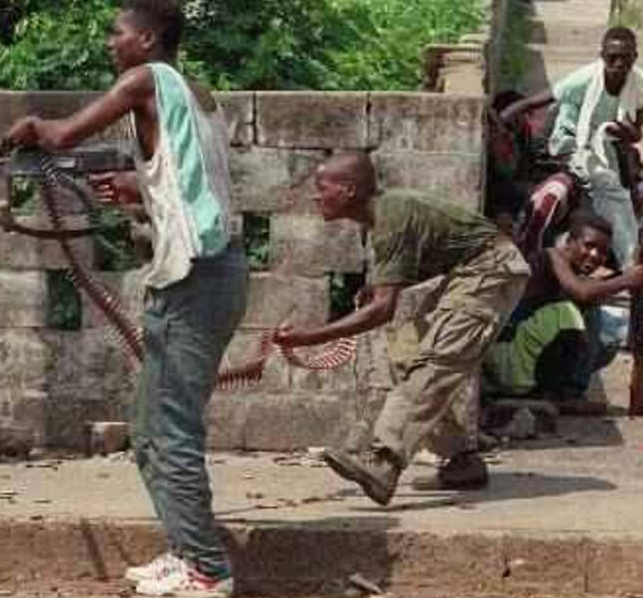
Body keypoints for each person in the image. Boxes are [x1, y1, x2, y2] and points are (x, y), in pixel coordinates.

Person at [3, 0, 248, 598]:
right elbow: (191, 179)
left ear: (147, 39)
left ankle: (207, 568)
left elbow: (62, 135)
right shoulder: (196, 93)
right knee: (148, 428)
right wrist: (139, 188)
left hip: (195, 277)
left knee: (171, 430)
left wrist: (34, 127)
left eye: (118, 33)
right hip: (210, 273)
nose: (111, 43)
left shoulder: (144, 79)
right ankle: (186, 551)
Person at [273, 152, 530, 506]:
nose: (316, 196)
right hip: (470, 273)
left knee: (434, 364)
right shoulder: (384, 217)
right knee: (406, 355)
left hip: (491, 272)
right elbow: (403, 277)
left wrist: (309, 338)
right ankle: (461, 460)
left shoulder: (390, 218)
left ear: (348, 190)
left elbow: (382, 311)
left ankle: (384, 461)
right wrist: (379, 288)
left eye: (322, 187)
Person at [500, 27, 643, 269]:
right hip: (571, 143)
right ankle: (630, 264)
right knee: (609, 189)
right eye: (612, 57)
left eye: (625, 58)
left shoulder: (638, 85)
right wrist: (499, 119)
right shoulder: (585, 78)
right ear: (602, 55)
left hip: (606, 144)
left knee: (624, 193)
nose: (618, 64)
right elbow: (533, 101)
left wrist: (629, 136)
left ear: (635, 57)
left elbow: (636, 131)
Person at [484, 210, 643, 402]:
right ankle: (571, 392)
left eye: (603, 252)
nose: (595, 255)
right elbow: (582, 292)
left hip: (524, 361)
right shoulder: (551, 256)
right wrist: (627, 280)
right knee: (578, 310)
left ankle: (554, 390)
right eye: (589, 246)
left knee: (608, 340)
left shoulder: (574, 272)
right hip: (508, 360)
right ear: (569, 242)